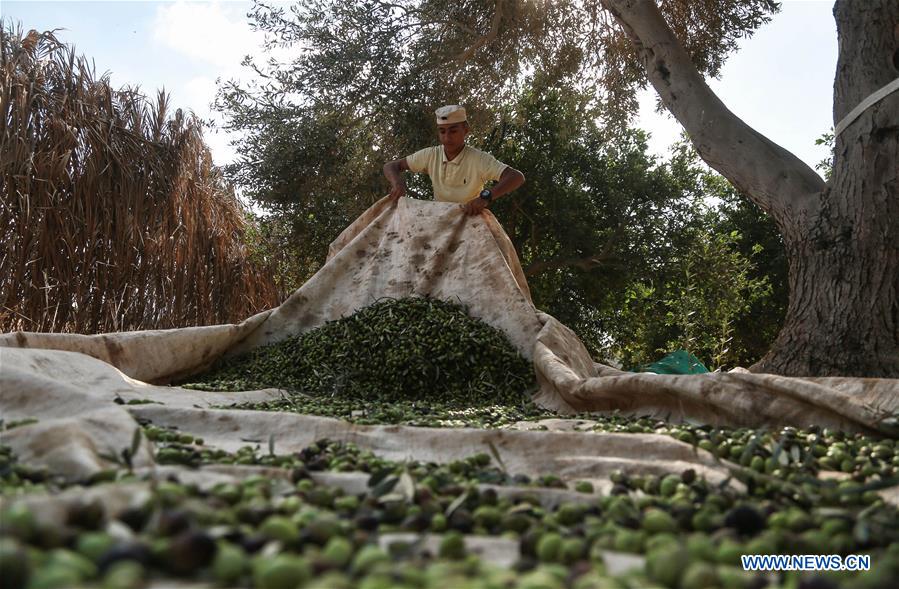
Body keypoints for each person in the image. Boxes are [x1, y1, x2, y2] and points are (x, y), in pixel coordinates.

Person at [383, 105, 525, 216]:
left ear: (466, 130)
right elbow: (391, 166)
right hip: (440, 217)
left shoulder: (479, 159)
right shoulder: (430, 155)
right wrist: (397, 183)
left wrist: (485, 198)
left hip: (471, 218)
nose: (447, 138)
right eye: (442, 131)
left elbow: (516, 177)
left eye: (453, 131)